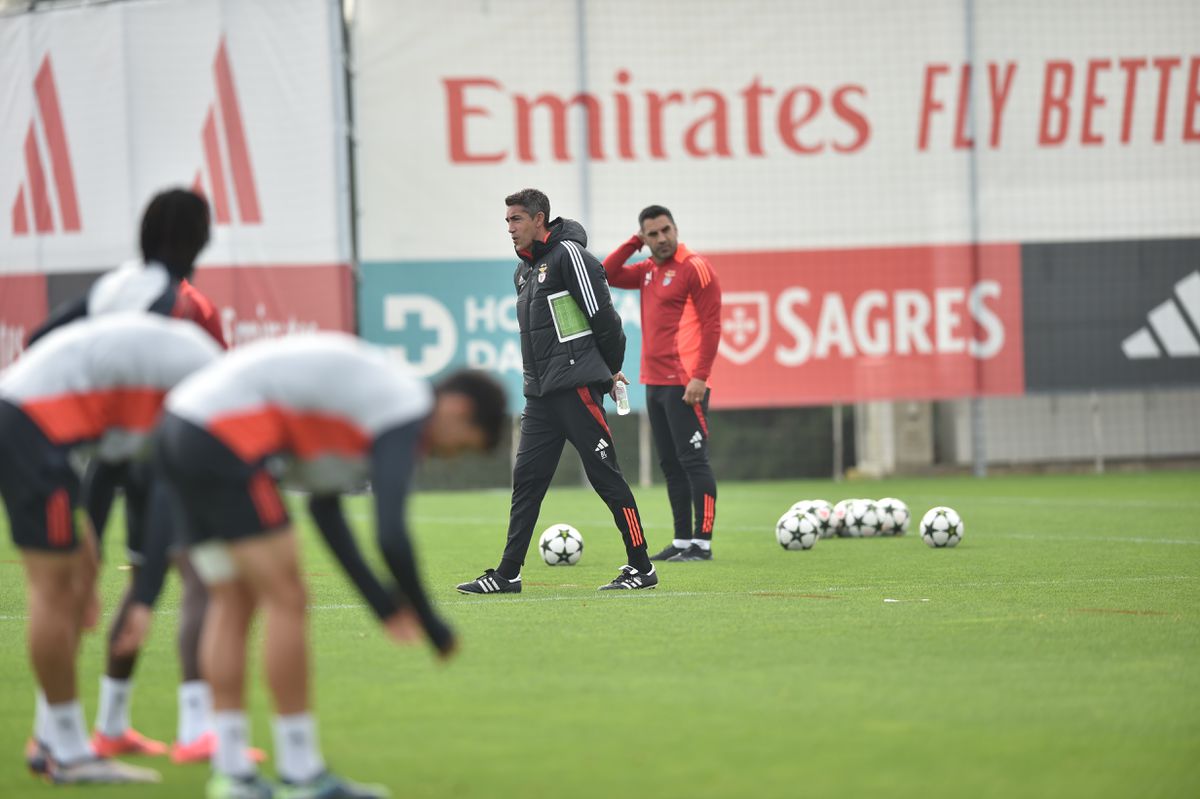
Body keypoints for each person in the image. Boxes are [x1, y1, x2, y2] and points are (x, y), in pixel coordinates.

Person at [139, 332, 506, 799]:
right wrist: (432, 624)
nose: (449, 458)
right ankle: (302, 774)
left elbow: (324, 510)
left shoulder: (370, 404)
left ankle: (232, 774)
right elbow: (391, 534)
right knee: (286, 600)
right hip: (224, 436)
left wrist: (383, 605)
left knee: (233, 601)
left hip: (179, 426)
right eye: (464, 446)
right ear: (456, 409)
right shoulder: (407, 408)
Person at [26, 187, 239, 764]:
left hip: (99, 454)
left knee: (74, 587)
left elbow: (37, 340)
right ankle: (197, 728)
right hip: (155, 451)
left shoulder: (114, 285)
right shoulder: (187, 305)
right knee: (196, 577)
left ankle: (79, 727)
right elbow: (207, 395)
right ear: (200, 238)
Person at [0, 313, 222, 784]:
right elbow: (164, 490)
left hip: (34, 427)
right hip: (31, 430)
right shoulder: (197, 392)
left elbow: (106, 473)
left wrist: (90, 563)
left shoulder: (166, 375)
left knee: (71, 580)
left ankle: (56, 741)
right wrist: (142, 599)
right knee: (53, 593)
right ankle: (63, 751)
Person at [456, 188, 658, 594]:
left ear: (539, 219)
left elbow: (604, 318)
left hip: (577, 389)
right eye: (507, 221)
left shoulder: (570, 256)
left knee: (606, 478)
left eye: (516, 220)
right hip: (541, 396)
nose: (510, 229)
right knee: (526, 482)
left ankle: (642, 567)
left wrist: (609, 369)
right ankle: (507, 574)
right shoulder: (524, 273)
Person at [603, 205, 722, 562]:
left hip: (686, 381)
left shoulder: (695, 268)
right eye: (652, 234)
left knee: (694, 461)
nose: (661, 238)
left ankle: (703, 542)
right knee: (670, 464)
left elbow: (713, 326)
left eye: (665, 230)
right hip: (653, 382)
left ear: (675, 228)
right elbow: (607, 272)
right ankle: (683, 540)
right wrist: (632, 243)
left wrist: (700, 376)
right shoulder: (649, 270)